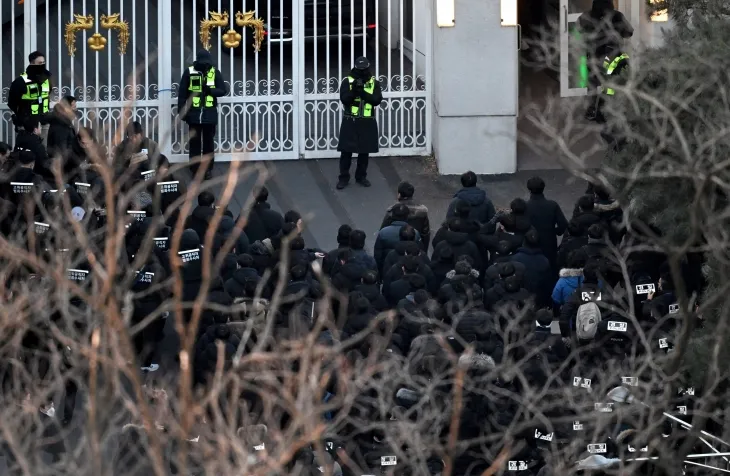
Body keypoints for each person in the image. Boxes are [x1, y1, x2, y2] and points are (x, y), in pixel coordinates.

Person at [176, 50, 228, 180]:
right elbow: (182, 94)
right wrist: (182, 112)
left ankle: (207, 169)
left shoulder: (214, 72)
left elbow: (223, 90)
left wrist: (210, 90)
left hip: (209, 116)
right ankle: (195, 170)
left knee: (208, 145)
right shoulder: (189, 72)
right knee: (194, 144)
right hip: (193, 115)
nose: (205, 65)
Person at [578, 0, 633, 122]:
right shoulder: (617, 16)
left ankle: (593, 109)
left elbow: (581, 31)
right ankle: (610, 110)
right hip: (612, 57)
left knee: (593, 84)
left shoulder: (586, 16)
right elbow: (629, 32)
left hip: (593, 57)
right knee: (612, 84)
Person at [336, 56, 383, 190]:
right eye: (360, 69)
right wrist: (354, 91)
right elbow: (344, 100)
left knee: (364, 152)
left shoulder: (374, 83)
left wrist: (361, 92)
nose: (362, 72)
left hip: (367, 122)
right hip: (350, 120)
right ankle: (343, 178)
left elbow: (376, 100)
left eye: (364, 69)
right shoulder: (347, 81)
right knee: (346, 151)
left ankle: (361, 176)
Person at [7, 51, 52, 141]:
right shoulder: (20, 81)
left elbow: (47, 95)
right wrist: (21, 119)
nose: (42, 65)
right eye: (39, 63)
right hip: (26, 124)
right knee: (27, 151)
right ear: (32, 63)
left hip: (43, 122)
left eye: (43, 63)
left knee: (42, 151)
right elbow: (12, 103)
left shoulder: (47, 79)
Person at [380, 181, 431, 251]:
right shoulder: (422, 212)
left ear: (399, 195)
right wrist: (424, 251)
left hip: (394, 249)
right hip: (413, 249)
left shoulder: (392, 211)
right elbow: (425, 234)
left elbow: (382, 232)